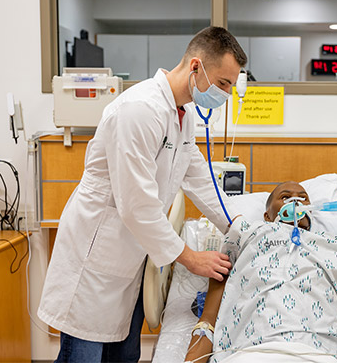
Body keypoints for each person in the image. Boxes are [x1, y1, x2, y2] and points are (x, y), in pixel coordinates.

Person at [38, 26, 248, 362]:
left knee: (124, 355)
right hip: (95, 256)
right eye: (223, 83)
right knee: (84, 356)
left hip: (130, 257)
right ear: (196, 67)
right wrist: (192, 259)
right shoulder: (139, 110)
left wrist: (237, 225)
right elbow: (137, 207)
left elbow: (199, 178)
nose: (225, 93)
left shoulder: (183, 116)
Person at [185, 182, 337, 363]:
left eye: (303, 197)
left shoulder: (335, 245)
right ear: (267, 215)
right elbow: (210, 312)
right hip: (252, 350)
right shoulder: (248, 233)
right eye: (285, 196)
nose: (296, 201)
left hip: (320, 351)